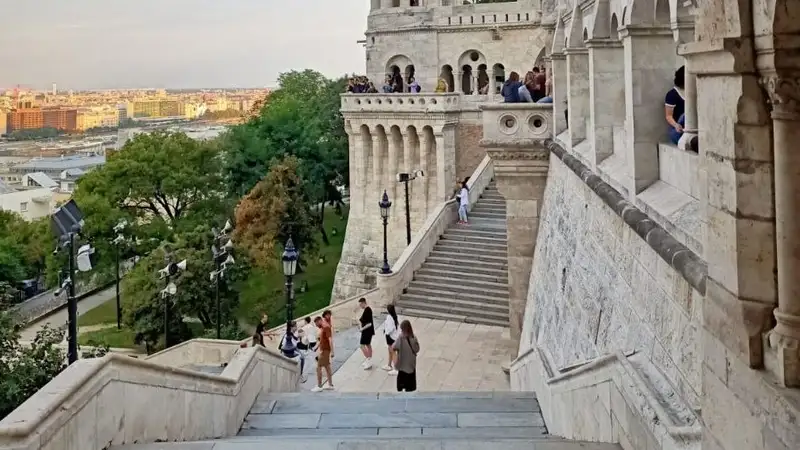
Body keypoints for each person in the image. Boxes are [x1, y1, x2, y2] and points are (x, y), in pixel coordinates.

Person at [392, 320, 420, 392]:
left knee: (400, 385)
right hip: (410, 366)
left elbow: (393, 347)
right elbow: (417, 349)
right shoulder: (414, 338)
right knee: (410, 387)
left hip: (402, 365)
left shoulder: (400, 338)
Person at [311, 316, 335, 392]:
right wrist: (316, 347)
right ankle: (330, 384)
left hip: (325, 350)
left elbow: (330, 339)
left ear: (319, 321)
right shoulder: (323, 328)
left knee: (318, 367)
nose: (316, 326)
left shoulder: (325, 327)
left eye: (316, 324)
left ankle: (319, 385)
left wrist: (332, 351)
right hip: (324, 350)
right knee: (327, 367)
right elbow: (322, 340)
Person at [665, 66, 685, 145]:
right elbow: (668, 116)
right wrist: (676, 125)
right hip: (677, 131)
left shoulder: (692, 91)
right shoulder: (672, 94)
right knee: (686, 115)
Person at [382, 304, 400, 375]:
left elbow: (390, 328)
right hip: (394, 337)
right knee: (390, 351)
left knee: (392, 352)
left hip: (390, 337)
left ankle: (396, 368)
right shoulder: (395, 316)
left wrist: (386, 331)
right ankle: (389, 365)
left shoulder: (389, 317)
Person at [358, 297, 375, 369]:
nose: (360, 306)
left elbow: (369, 324)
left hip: (367, 331)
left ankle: (368, 360)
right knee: (368, 345)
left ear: (363, 303)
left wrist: (362, 329)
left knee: (362, 345)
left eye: (360, 304)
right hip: (368, 331)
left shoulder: (367, 310)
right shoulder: (367, 309)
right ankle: (369, 360)